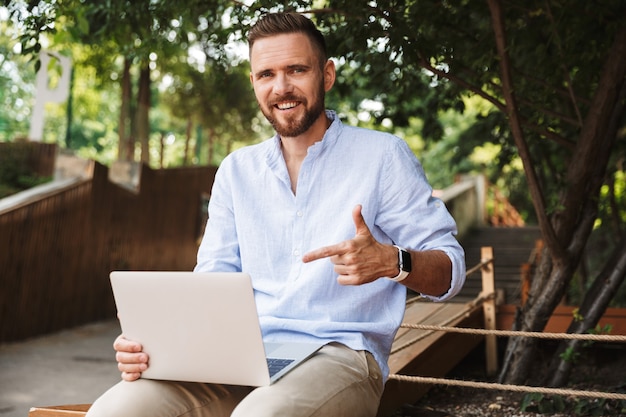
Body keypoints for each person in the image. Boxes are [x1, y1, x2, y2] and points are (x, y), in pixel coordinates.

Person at [87, 11, 465, 417]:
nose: (281, 87)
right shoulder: (236, 170)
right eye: (266, 74)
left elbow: (451, 270)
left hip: (340, 354)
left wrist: (393, 261)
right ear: (253, 83)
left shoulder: (383, 156)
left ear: (327, 75)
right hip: (237, 356)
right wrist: (157, 346)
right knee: (114, 411)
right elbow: (212, 279)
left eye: (297, 70)